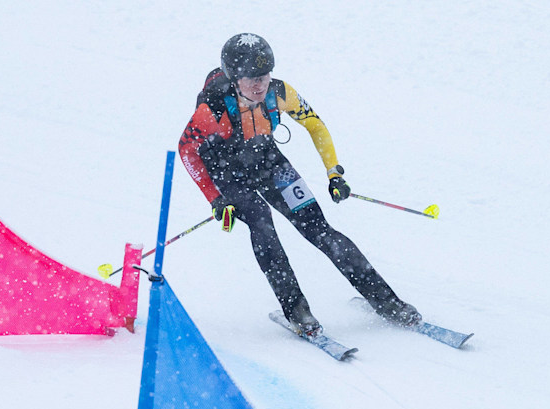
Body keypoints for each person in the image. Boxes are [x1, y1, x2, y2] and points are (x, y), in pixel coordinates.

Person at [178, 33, 421, 336]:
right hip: (228, 174)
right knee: (262, 224)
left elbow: (315, 125)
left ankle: (387, 302)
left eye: (264, 76)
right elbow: (186, 150)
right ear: (233, 77)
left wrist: (334, 173)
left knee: (320, 229)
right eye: (251, 78)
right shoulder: (211, 110)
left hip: (268, 161)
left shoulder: (280, 92)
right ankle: (296, 310)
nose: (260, 84)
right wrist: (215, 198)